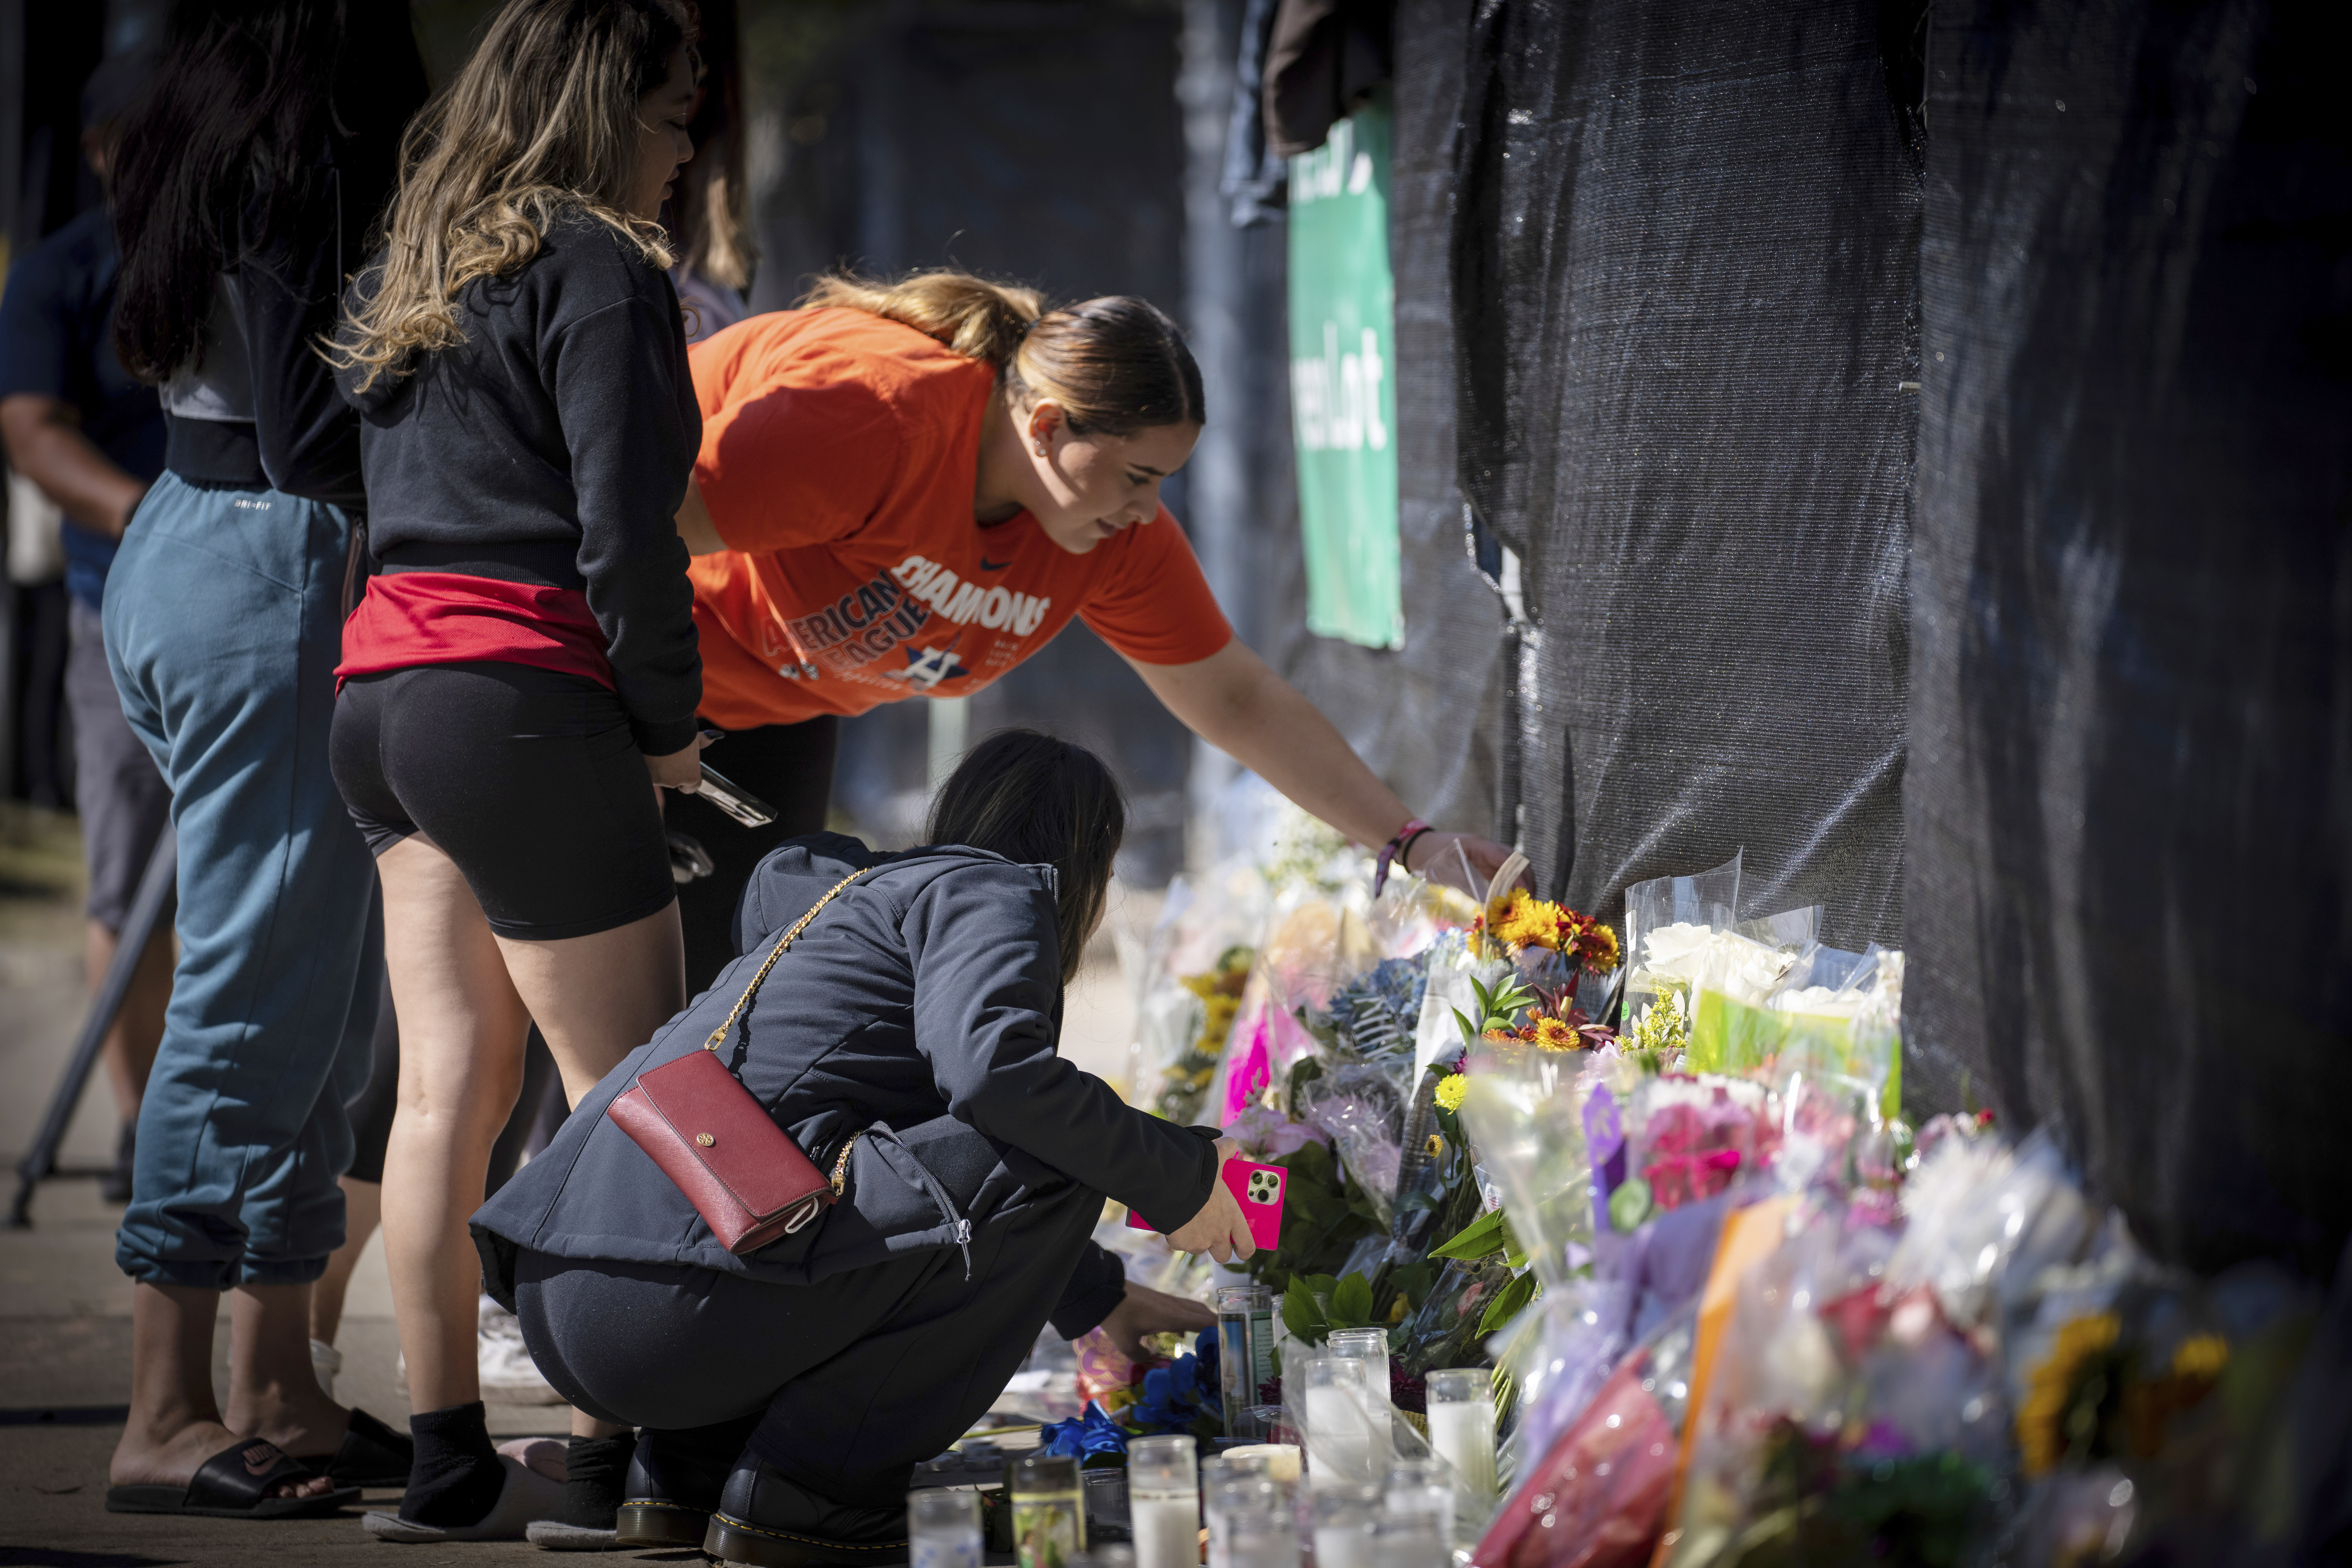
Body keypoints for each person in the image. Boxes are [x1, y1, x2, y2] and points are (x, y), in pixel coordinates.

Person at [473, 731, 1238, 1567]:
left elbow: (934, 1185)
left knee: (1034, 1138)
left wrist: (1095, 1294)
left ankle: (690, 1477)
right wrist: (1189, 1178)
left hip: (572, 1293)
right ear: (1088, 862)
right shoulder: (993, 890)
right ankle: (816, 1497)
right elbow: (1000, 1086)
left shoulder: (851, 903)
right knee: (1060, 1141)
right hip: (676, 1314)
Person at [667, 271, 1513, 996]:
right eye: (1139, 476)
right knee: (579, 1016)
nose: (1149, 512)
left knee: (718, 1010)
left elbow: (1235, 696)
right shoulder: (875, 415)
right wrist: (622, 730)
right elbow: (619, 538)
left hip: (774, 712)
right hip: (626, 666)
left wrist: (1412, 845)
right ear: (1045, 427)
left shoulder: (1111, 534)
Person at [324, 0, 707, 1540]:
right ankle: (627, 1457)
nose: (690, 151)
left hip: (384, 697)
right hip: (521, 704)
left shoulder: (413, 262)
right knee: (638, 1096)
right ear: (607, 107)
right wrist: (668, 724)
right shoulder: (600, 268)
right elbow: (629, 538)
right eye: (677, 115)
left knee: (446, 1099)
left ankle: (447, 1461)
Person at [96, 0, 426, 1522]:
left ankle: (278, 1387)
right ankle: (163, 1416)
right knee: (252, 1004)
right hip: (276, 571)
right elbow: (310, 429)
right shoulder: (320, 133)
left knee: (312, 1002)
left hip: (190, 539)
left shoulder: (202, 106)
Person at [0, 49, 170, 1206]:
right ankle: (141, 1126)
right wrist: (154, 520)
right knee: (124, 876)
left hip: (268, 607)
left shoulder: (244, 261)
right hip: (121, 602)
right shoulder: (63, 274)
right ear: (106, 150)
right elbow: (31, 430)